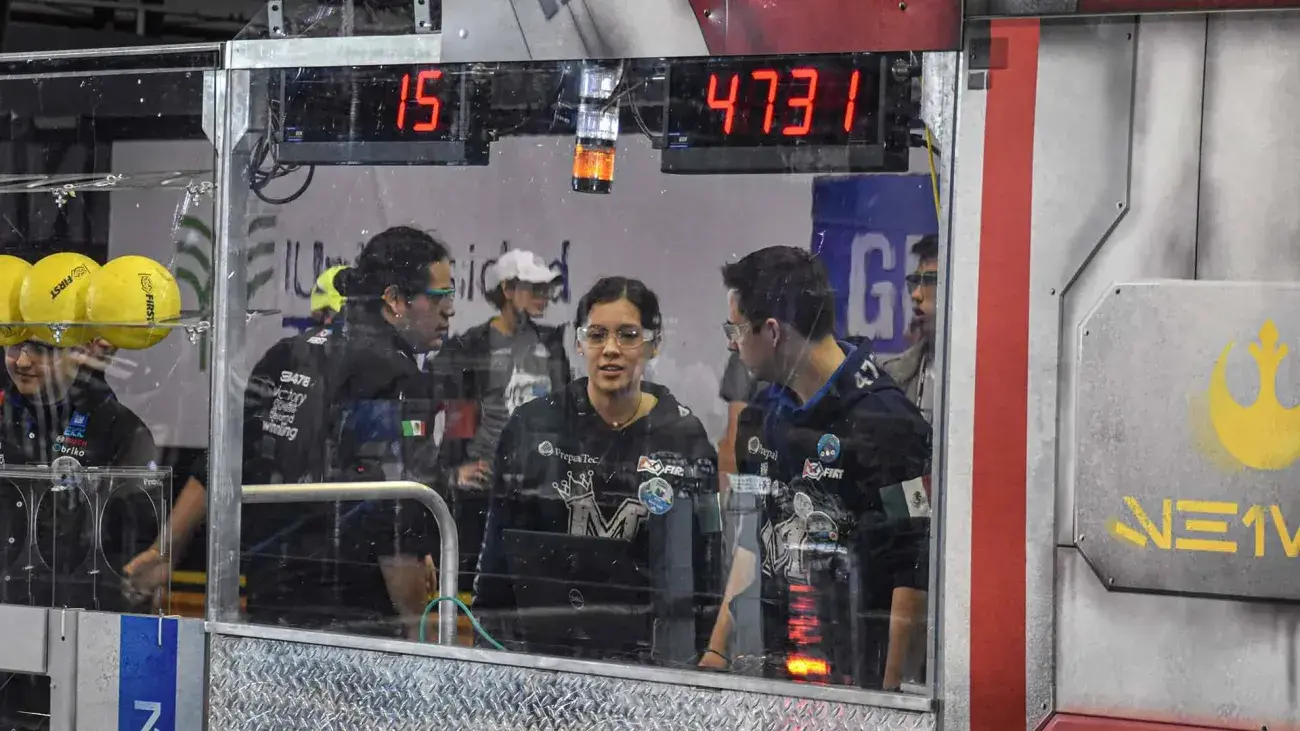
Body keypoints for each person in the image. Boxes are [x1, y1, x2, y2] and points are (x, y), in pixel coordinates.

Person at [702, 245, 931, 691]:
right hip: (776, 670)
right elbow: (753, 539)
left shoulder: (890, 424)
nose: (732, 342)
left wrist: (889, 702)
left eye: (737, 329)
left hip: (856, 680)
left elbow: (913, 573)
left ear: (772, 331)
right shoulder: (763, 414)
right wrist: (715, 655)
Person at [473, 276, 722, 666]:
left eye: (628, 335)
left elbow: (705, 570)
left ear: (654, 343)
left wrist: (703, 659)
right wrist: (489, 653)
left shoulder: (683, 437)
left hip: (648, 661)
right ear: (578, 342)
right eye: (597, 335)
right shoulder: (534, 426)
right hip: (542, 653)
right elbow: (496, 564)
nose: (610, 349)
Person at [239, 225, 457, 639]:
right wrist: (420, 637)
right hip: (354, 619)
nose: (449, 310)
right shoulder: (396, 377)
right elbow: (392, 520)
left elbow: (220, 468)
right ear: (394, 299)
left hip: (269, 602)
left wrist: (162, 552)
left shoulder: (284, 354)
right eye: (439, 297)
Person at [0, 337, 158, 728]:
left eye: (40, 348)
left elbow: (134, 559)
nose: (22, 361)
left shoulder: (119, 429)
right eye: (13, 345)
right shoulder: (6, 414)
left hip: (76, 633)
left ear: (79, 350)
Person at [433, 249, 570, 587]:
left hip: (540, 485)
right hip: (485, 486)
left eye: (546, 289)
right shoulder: (473, 347)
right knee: (474, 581)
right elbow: (458, 416)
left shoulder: (551, 344)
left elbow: (564, 412)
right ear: (507, 290)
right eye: (534, 288)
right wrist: (455, 471)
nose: (543, 296)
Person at [882, 235, 938, 424]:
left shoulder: (987, 382)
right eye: (915, 281)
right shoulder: (891, 377)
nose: (915, 294)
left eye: (929, 281)